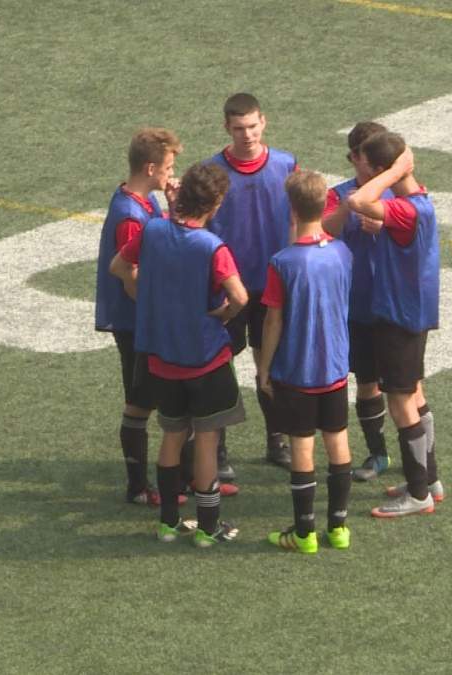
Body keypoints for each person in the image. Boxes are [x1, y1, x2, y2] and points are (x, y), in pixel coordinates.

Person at [110, 162, 247, 546]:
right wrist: (224, 315)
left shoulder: (153, 230)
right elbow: (239, 297)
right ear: (216, 204)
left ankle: (169, 523)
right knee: (205, 440)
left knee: (172, 435)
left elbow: (119, 266)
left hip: (162, 356)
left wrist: (147, 297)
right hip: (205, 358)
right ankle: (208, 527)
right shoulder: (211, 246)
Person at [345, 133, 443, 518]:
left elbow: (358, 200)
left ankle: (418, 495)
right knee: (414, 395)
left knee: (401, 402)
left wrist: (392, 172)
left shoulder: (404, 209)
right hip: (412, 312)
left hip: (398, 316)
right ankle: (428, 480)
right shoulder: (417, 202)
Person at [258, 171, 355, 553]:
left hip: (298, 370)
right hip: (334, 367)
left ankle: (304, 533)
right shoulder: (343, 253)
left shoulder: (282, 262)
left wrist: (264, 368)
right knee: (338, 440)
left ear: (292, 210)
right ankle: (339, 528)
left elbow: (273, 320)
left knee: (302, 446)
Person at [205, 93, 298, 477]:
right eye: (239, 128)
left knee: (270, 366)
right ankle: (218, 448)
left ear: (264, 122)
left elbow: (298, 219)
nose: (247, 134)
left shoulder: (286, 164)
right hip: (228, 288)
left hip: (272, 286)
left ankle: (277, 440)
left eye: (252, 126)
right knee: (219, 367)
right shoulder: (210, 171)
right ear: (227, 128)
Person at [93, 127, 181, 506]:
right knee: (140, 401)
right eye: (168, 167)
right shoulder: (131, 215)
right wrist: (155, 311)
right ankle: (138, 487)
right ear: (150, 168)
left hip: (141, 319)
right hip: (136, 323)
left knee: (147, 397)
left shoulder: (141, 200)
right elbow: (131, 277)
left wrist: (173, 207)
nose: (171, 174)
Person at [321, 121, 393, 483]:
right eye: (369, 155)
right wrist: (350, 208)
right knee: (366, 381)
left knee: (406, 386)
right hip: (354, 306)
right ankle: (378, 453)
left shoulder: (399, 194)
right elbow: (325, 230)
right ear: (353, 157)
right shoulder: (338, 195)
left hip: (394, 305)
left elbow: (420, 236)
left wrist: (385, 226)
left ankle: (422, 467)